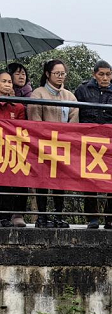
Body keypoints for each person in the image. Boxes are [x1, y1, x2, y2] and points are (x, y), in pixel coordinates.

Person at [74, 60, 112, 230]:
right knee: (89, 180)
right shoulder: (83, 90)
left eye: (108, 74)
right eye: (101, 74)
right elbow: (75, 114)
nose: (105, 77)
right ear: (94, 74)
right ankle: (92, 218)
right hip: (89, 143)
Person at [27, 60, 78, 228]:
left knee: (60, 181)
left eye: (63, 74)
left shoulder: (69, 96)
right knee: (42, 180)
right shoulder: (38, 94)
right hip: (42, 144)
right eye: (57, 73)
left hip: (63, 145)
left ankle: (58, 215)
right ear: (47, 74)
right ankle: (42, 216)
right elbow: (35, 121)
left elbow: (74, 121)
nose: (60, 77)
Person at [0, 72, 28, 227]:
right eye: (3, 81)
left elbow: (23, 128)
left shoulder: (17, 106)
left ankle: (14, 214)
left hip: (12, 149)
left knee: (16, 178)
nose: (7, 84)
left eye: (9, 81)